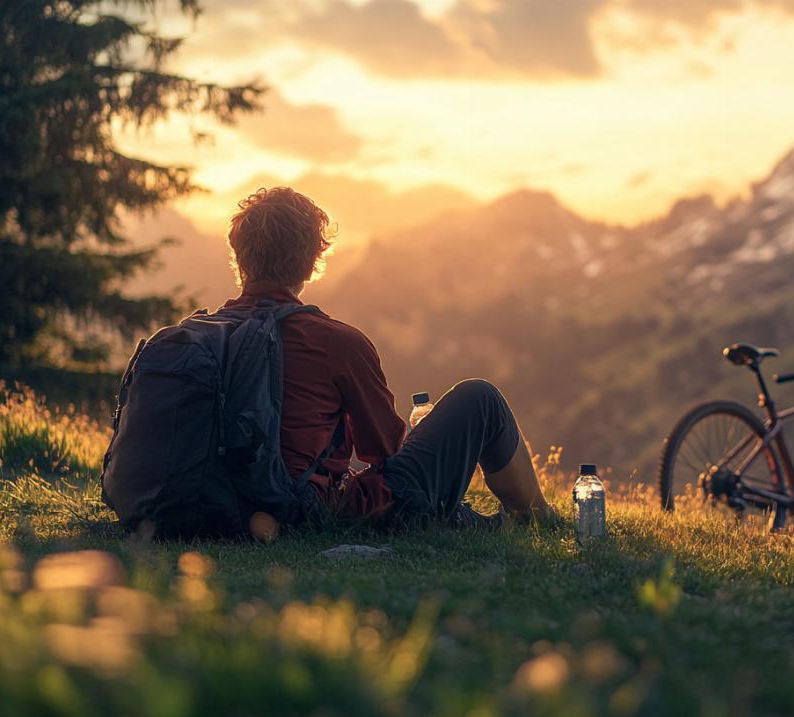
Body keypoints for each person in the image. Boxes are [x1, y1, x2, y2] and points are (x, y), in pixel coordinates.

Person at [222, 186, 555, 534]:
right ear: (311, 262)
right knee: (481, 399)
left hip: (222, 506)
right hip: (306, 512)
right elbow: (383, 447)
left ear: (240, 258)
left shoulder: (204, 337)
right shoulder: (335, 342)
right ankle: (538, 519)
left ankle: (489, 521)